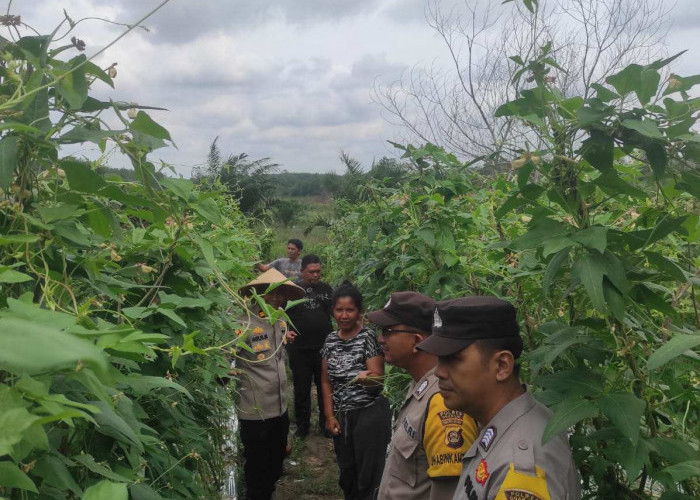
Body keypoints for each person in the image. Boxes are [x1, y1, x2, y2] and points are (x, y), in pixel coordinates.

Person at [417, 297, 581, 500]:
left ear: (502, 366)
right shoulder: (503, 425)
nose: (438, 372)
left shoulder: (521, 466)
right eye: (440, 359)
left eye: (453, 358)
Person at [368, 291, 478, 500]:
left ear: (416, 340)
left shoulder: (443, 404)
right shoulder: (420, 385)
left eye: (388, 331)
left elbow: (448, 492)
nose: (381, 339)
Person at [236, 269, 305, 500]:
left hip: (280, 406)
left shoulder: (280, 319)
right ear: (258, 294)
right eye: (270, 293)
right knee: (256, 467)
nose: (276, 298)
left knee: (276, 460)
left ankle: (267, 490)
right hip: (254, 409)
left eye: (281, 293)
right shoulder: (243, 322)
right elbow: (225, 357)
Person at [320, 282, 392, 500]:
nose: (344, 315)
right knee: (347, 470)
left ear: (359, 312)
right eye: (339, 310)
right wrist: (330, 415)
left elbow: (377, 380)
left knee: (369, 474)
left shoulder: (368, 338)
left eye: (349, 310)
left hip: (368, 414)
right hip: (343, 416)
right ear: (332, 311)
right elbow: (325, 382)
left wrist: (363, 380)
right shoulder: (330, 340)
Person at [285, 254, 334, 438]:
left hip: (323, 348)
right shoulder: (292, 291)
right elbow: (280, 315)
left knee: (325, 388)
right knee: (301, 388)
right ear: (302, 271)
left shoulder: (326, 289)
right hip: (299, 349)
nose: (316, 275)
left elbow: (334, 311)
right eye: (311, 272)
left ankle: (325, 423)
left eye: (318, 272)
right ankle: (302, 426)